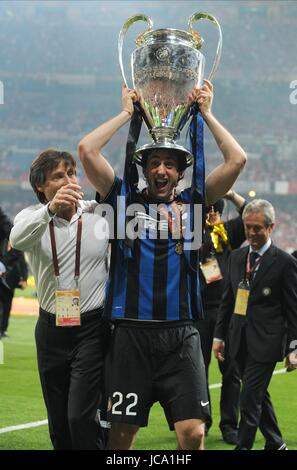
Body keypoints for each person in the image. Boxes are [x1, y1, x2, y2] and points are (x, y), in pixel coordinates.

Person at [78, 80, 247, 450]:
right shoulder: (121, 199)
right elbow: (87, 150)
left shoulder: (194, 204)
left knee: (193, 432)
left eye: (169, 163)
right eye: (154, 161)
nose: (161, 169)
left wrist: (207, 113)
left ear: (180, 172)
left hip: (181, 334)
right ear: (144, 168)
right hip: (130, 336)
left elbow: (237, 160)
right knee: (121, 437)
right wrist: (126, 113)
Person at [10, 149, 110, 450]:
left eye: (71, 173)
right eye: (58, 176)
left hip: (91, 331)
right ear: (41, 185)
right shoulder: (32, 218)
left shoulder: (99, 216)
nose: (68, 180)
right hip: (51, 331)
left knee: (80, 416)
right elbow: (16, 240)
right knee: (58, 422)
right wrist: (50, 210)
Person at [213, 199, 297, 450]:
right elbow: (227, 301)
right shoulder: (237, 257)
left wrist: (294, 347)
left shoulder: (284, 262)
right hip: (238, 338)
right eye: (248, 227)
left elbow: (294, 310)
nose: (251, 233)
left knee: (249, 398)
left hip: (267, 341)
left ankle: (243, 447)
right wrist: (219, 337)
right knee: (258, 393)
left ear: (271, 228)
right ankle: (275, 442)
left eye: (257, 228)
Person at [196, 189, 246, 444]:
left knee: (232, 371)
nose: (212, 213)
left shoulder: (227, 233)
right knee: (198, 372)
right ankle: (201, 421)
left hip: (228, 313)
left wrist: (233, 195)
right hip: (201, 312)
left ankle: (229, 425)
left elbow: (250, 213)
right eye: (207, 209)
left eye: (215, 208)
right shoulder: (191, 235)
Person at [0, 205, 24, 338]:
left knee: (5, 303)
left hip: (6, 277)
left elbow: (18, 241)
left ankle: (2, 329)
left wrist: (2, 264)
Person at [0, 242, 28, 338]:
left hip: (10, 283)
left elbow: (24, 265)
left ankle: (3, 330)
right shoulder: (2, 248)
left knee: (7, 307)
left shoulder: (18, 250)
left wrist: (24, 279)